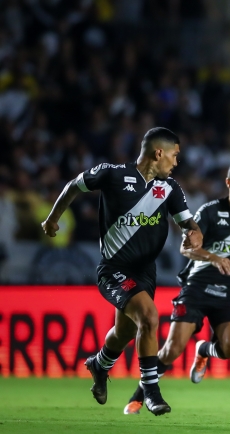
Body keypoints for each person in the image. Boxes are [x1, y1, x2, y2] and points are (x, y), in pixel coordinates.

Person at [41, 127, 202, 415]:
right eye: (175, 156)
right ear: (158, 153)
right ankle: (151, 392)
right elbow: (73, 186)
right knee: (150, 317)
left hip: (145, 273)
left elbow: (190, 225)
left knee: (124, 332)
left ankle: (99, 364)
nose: (176, 163)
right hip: (113, 269)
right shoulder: (112, 174)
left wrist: (195, 235)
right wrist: (53, 219)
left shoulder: (170, 189)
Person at [123, 161, 230, 415]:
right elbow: (186, 247)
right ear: (229, 183)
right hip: (197, 288)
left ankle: (204, 349)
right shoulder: (209, 212)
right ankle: (139, 396)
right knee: (172, 349)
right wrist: (213, 258)